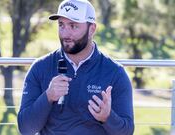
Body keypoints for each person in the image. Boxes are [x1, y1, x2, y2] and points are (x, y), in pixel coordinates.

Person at [17, 0, 134, 134]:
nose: (65, 33)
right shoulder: (40, 67)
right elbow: (25, 129)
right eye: (61, 25)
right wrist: (48, 96)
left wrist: (107, 117)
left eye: (73, 26)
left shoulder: (115, 73)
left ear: (92, 29)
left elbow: (127, 131)